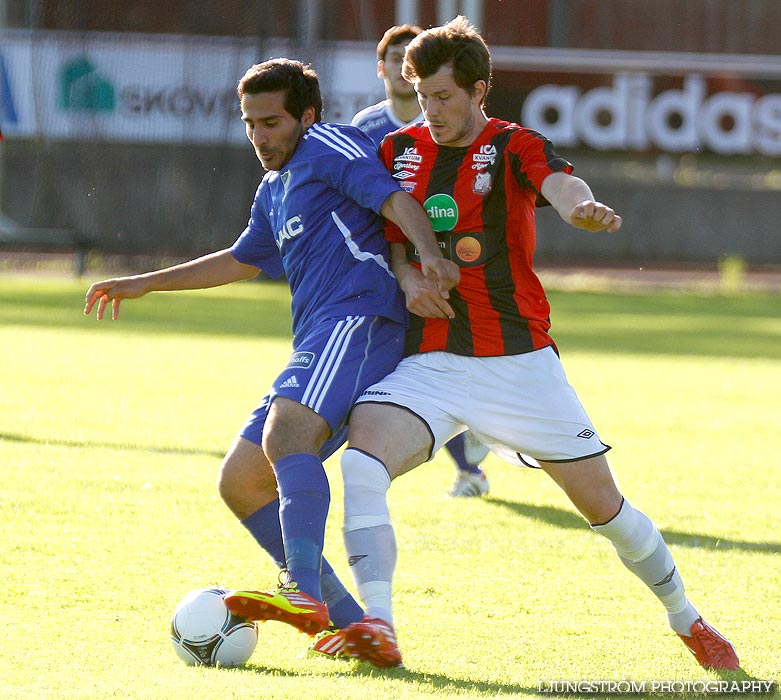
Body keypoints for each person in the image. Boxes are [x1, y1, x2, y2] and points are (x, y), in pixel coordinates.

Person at [329, 17, 737, 670]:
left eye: (443, 96)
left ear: (478, 91)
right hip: (430, 364)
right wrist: (408, 276)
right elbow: (393, 237)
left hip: (518, 367)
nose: (430, 111)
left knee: (606, 512)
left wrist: (582, 206)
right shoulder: (398, 151)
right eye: (422, 96)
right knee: (359, 462)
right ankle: (378, 624)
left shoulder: (513, 144)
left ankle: (686, 619)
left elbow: (560, 183)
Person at [84, 59, 459, 657]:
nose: (260, 136)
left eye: (272, 122)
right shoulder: (274, 186)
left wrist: (424, 259)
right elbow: (241, 259)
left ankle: (302, 593)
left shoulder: (330, 144)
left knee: (287, 437)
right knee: (241, 480)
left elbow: (392, 200)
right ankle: (355, 625)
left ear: (306, 117)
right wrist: (144, 282)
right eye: (250, 124)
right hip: (320, 337)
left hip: (362, 319)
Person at [353, 23, 490, 498]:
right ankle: (464, 447)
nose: (397, 67)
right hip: (390, 261)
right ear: (384, 69)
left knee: (442, 352)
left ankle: (481, 438)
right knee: (412, 357)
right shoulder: (366, 127)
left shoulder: (459, 124)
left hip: (450, 262)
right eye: (391, 59)